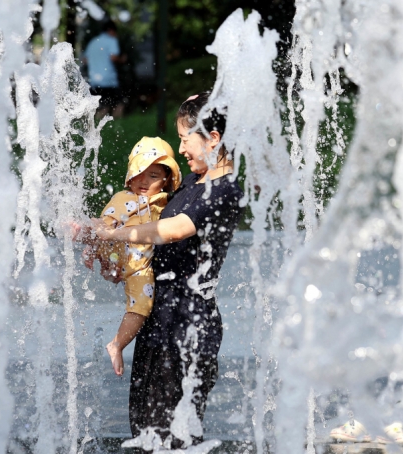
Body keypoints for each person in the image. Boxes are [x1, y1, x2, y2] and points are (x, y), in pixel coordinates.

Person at [89, 92, 245, 449]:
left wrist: (117, 233)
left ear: (214, 138)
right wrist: (115, 253)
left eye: (185, 137)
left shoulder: (223, 192)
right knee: (145, 430)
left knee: (171, 437)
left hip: (188, 329)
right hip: (159, 322)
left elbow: (174, 230)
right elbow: (148, 217)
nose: (182, 148)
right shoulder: (192, 182)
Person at [82, 137, 181, 377]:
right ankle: (79, 232)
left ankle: (116, 344)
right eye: (139, 173)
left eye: (154, 176)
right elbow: (105, 225)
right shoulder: (122, 199)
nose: (144, 181)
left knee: (142, 306)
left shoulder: (166, 204)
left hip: (140, 268)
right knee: (97, 228)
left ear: (168, 179)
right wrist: (94, 244)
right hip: (117, 253)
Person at [82, 20, 127, 119]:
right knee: (119, 104)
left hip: (94, 80)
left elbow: (85, 60)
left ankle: (97, 128)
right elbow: (113, 57)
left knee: (102, 106)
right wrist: (122, 59)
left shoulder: (93, 42)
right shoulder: (111, 40)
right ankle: (117, 126)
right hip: (109, 80)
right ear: (111, 31)